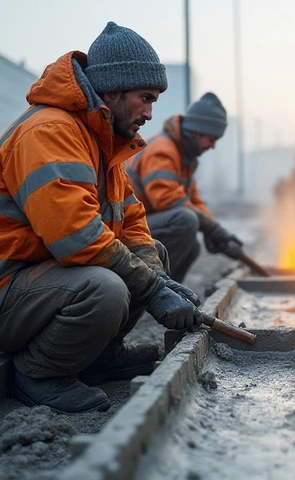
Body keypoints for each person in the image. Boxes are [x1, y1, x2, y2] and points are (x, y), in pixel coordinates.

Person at [0, 22, 204, 414]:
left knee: (154, 253)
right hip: (8, 283)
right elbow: (75, 236)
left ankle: (100, 356)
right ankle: (38, 374)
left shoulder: (100, 142)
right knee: (103, 289)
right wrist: (152, 291)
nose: (149, 113)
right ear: (112, 90)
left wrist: (159, 279)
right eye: (145, 98)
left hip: (35, 277)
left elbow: (131, 222)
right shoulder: (50, 131)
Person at [126, 92, 244, 283]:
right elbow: (166, 199)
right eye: (212, 139)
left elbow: (193, 200)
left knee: (193, 245)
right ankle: (151, 290)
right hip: (127, 225)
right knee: (185, 221)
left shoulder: (184, 157)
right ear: (197, 132)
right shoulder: (163, 150)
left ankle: (171, 293)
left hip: (145, 221)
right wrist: (211, 228)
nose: (212, 146)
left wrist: (215, 230)